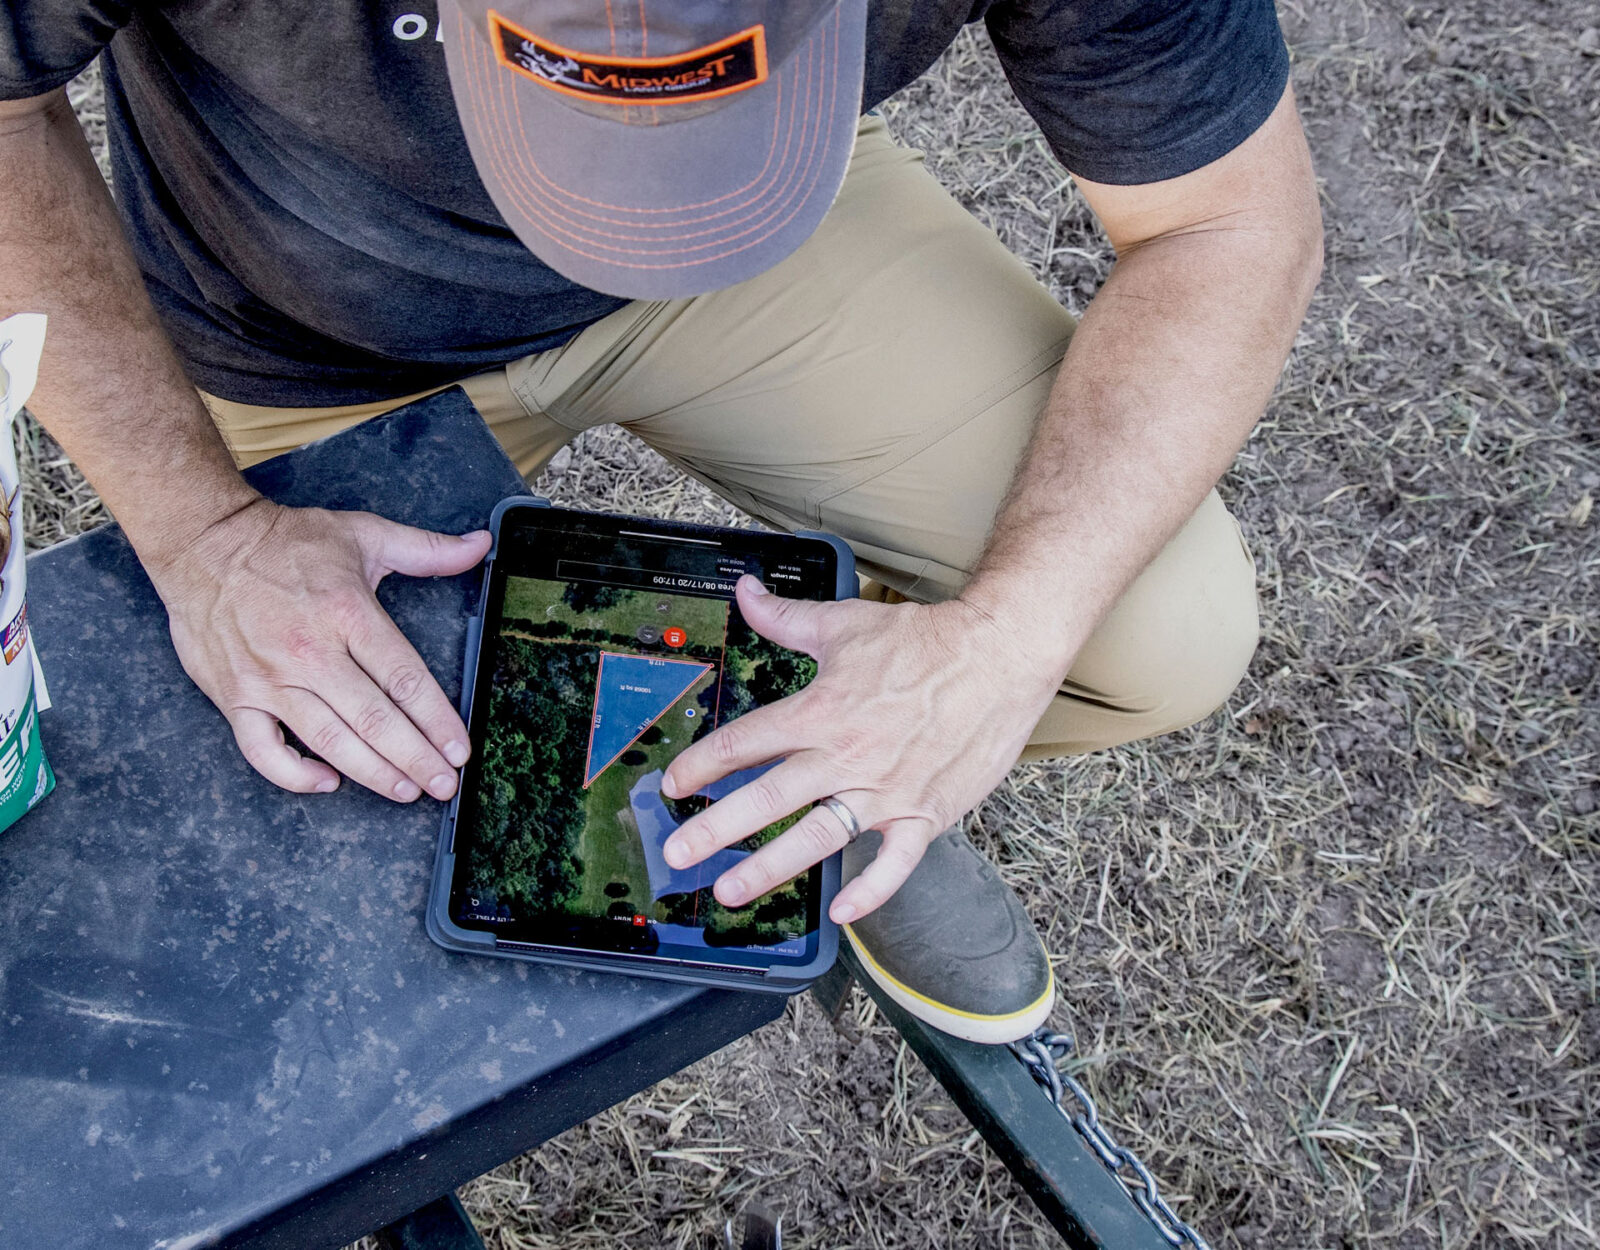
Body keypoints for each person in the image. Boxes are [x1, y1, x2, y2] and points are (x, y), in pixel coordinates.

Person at [0, 0, 1321, 1043]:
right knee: (292, 841)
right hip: (295, 326)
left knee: (1158, 632)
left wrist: (996, 645)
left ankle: (811, 786)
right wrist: (201, 534)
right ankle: (759, 784)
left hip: (758, 247)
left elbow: (1227, 224)